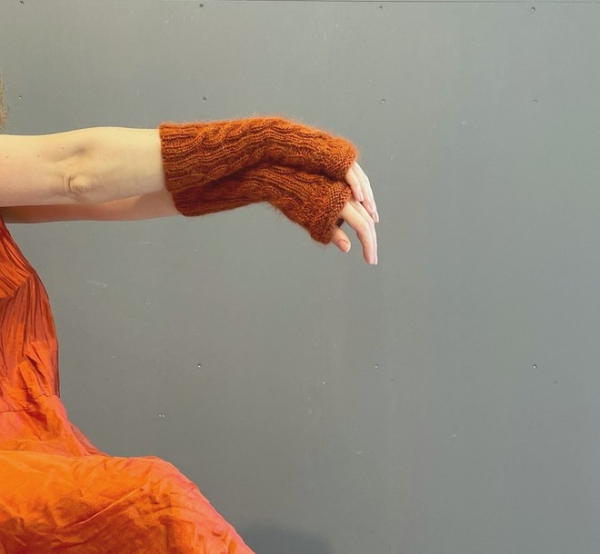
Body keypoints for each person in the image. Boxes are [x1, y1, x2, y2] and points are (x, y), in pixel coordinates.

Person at [0, 78, 378, 553]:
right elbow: (76, 171)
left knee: (148, 509)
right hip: (17, 448)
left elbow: (106, 195)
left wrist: (266, 180)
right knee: (155, 505)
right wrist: (267, 141)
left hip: (25, 440)